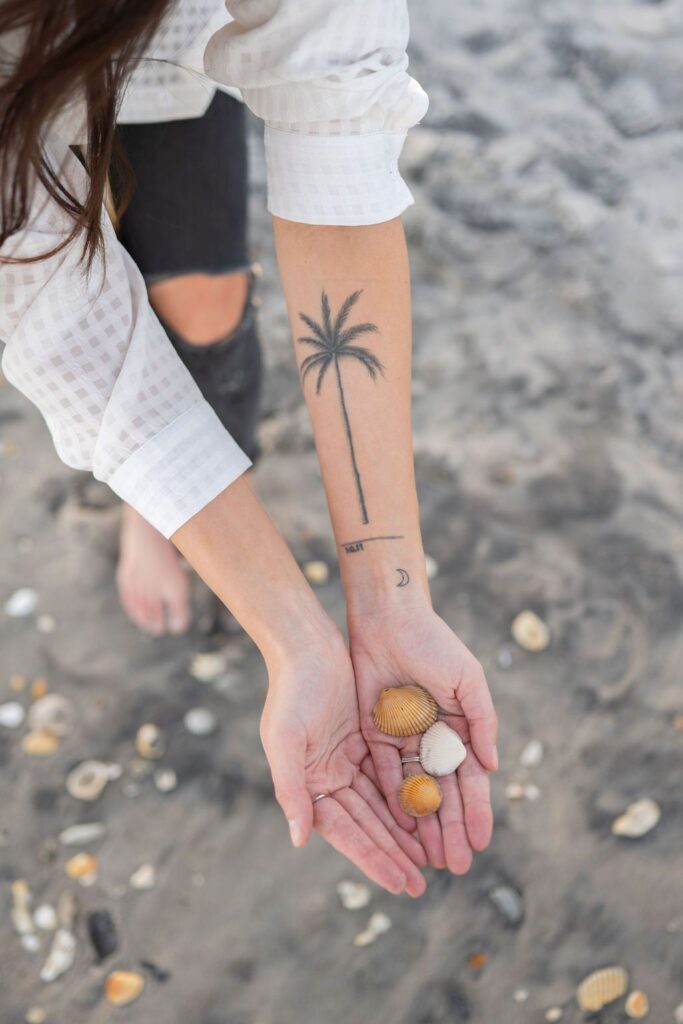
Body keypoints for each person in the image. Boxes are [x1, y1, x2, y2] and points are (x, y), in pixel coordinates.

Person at [0, 0, 498, 895]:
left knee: (203, 301)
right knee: (101, 310)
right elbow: (54, 317)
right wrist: (290, 634)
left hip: (164, 48)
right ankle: (154, 512)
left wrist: (384, 596)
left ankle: (166, 517)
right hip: (19, 70)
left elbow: (334, 112)